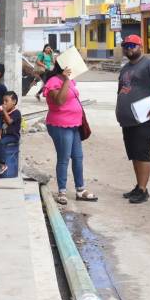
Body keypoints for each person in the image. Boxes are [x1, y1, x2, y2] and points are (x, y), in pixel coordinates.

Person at [116, 34, 150, 204]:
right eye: (126, 45)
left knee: (142, 153)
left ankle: (143, 190)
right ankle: (139, 186)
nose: (129, 48)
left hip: (145, 119)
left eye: (132, 45)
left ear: (141, 47)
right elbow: (121, 90)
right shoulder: (125, 68)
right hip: (128, 120)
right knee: (134, 154)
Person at [43, 63, 98, 205]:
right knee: (64, 158)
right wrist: (66, 80)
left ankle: (80, 190)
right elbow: (60, 101)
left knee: (78, 157)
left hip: (75, 124)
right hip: (60, 125)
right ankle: (62, 191)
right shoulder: (53, 82)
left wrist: (68, 80)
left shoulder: (71, 80)